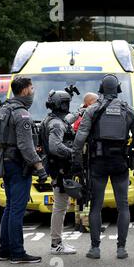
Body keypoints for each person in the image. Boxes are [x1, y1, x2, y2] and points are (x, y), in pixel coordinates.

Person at [72, 74, 134, 260]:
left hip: (98, 163)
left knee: (96, 205)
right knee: (123, 205)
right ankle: (121, 248)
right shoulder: (128, 110)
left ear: (101, 89)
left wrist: (76, 160)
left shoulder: (93, 110)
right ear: (118, 89)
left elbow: (79, 139)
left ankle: (95, 248)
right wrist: (130, 149)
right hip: (120, 162)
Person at [0, 77, 47, 263]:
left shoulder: (3, 108)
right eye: (32, 88)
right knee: (17, 209)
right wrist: (39, 167)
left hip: (5, 161)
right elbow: (26, 146)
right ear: (24, 91)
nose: (33, 91)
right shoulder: (21, 113)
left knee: (9, 207)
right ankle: (17, 252)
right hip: (18, 165)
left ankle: (4, 251)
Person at [41, 89, 77, 254]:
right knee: (60, 206)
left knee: (61, 205)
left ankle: (57, 242)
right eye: (66, 102)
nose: (68, 105)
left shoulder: (52, 119)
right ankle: (56, 243)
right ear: (61, 104)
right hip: (60, 168)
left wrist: (80, 111)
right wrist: (73, 152)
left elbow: (67, 121)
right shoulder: (56, 124)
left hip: (57, 167)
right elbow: (56, 147)